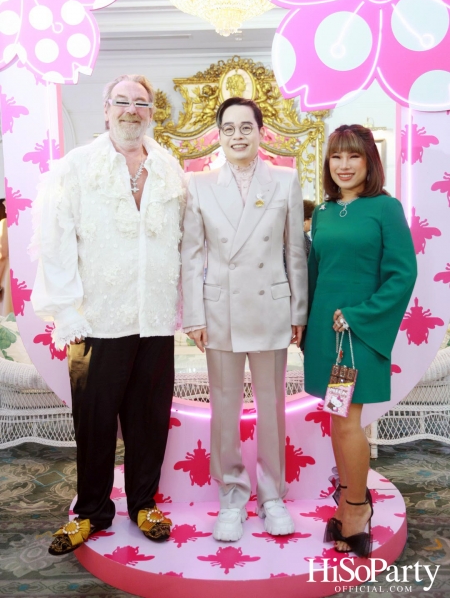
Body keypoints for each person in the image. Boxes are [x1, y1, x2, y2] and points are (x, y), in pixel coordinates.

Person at [31, 74, 185, 554]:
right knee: (95, 423)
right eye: (122, 101)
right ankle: (93, 512)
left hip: (155, 320)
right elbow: (54, 244)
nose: (131, 111)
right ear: (105, 109)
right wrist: (66, 313)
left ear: (152, 114)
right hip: (97, 321)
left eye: (142, 103)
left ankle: (143, 503)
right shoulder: (75, 168)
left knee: (149, 419)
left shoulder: (169, 168)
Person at [181, 97, 308, 542]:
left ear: (261, 132)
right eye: (229, 128)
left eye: (246, 127)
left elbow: (295, 250)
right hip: (221, 310)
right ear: (218, 134)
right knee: (224, 409)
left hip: (270, 306)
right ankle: (232, 495)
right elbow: (191, 253)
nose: (238, 135)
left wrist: (299, 311)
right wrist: (193, 314)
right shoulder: (197, 184)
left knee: (273, 408)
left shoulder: (285, 180)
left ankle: (272, 496)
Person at [303, 124, 417, 557]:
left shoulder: (385, 208)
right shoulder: (325, 213)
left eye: (354, 156)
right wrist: (304, 324)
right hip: (325, 336)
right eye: (336, 157)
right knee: (338, 418)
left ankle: (355, 508)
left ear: (370, 161)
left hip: (357, 334)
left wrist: (358, 315)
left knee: (349, 420)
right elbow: (315, 273)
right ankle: (352, 500)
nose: (344, 165)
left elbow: (402, 274)